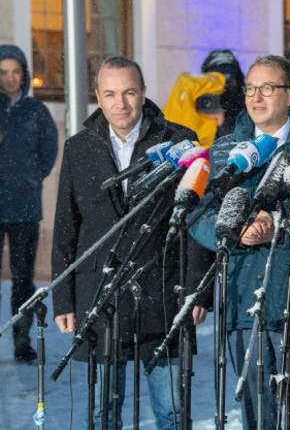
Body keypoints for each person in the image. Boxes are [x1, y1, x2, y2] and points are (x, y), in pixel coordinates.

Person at [51, 56, 199, 429]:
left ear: (144, 92)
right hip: (100, 296)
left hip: (163, 292)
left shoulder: (179, 142)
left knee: (173, 413)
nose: (121, 103)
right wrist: (63, 299)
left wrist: (198, 289)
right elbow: (66, 226)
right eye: (111, 94)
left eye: (129, 92)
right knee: (103, 414)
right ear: (98, 98)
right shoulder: (78, 148)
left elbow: (196, 221)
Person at [189, 55, 290, 430]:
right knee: (257, 420)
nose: (256, 97)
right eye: (251, 88)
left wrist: (281, 228)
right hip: (241, 305)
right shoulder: (225, 151)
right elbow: (197, 216)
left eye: (267, 88)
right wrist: (231, 230)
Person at [0, 44, 58, 362]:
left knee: (23, 279)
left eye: (16, 72)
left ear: (24, 74)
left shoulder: (36, 111)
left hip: (24, 207)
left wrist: (32, 176)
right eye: (3, 72)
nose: (10, 79)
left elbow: (49, 149)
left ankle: (22, 342)